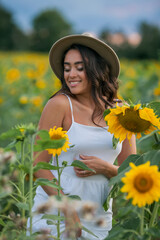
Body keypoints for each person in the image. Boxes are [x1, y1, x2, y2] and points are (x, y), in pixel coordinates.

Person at [28, 33, 136, 239]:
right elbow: (38, 164)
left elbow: (131, 172)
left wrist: (106, 168)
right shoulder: (59, 105)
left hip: (98, 217)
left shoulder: (123, 112)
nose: (71, 74)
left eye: (79, 67)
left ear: (97, 69)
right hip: (55, 214)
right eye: (67, 68)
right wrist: (67, 209)